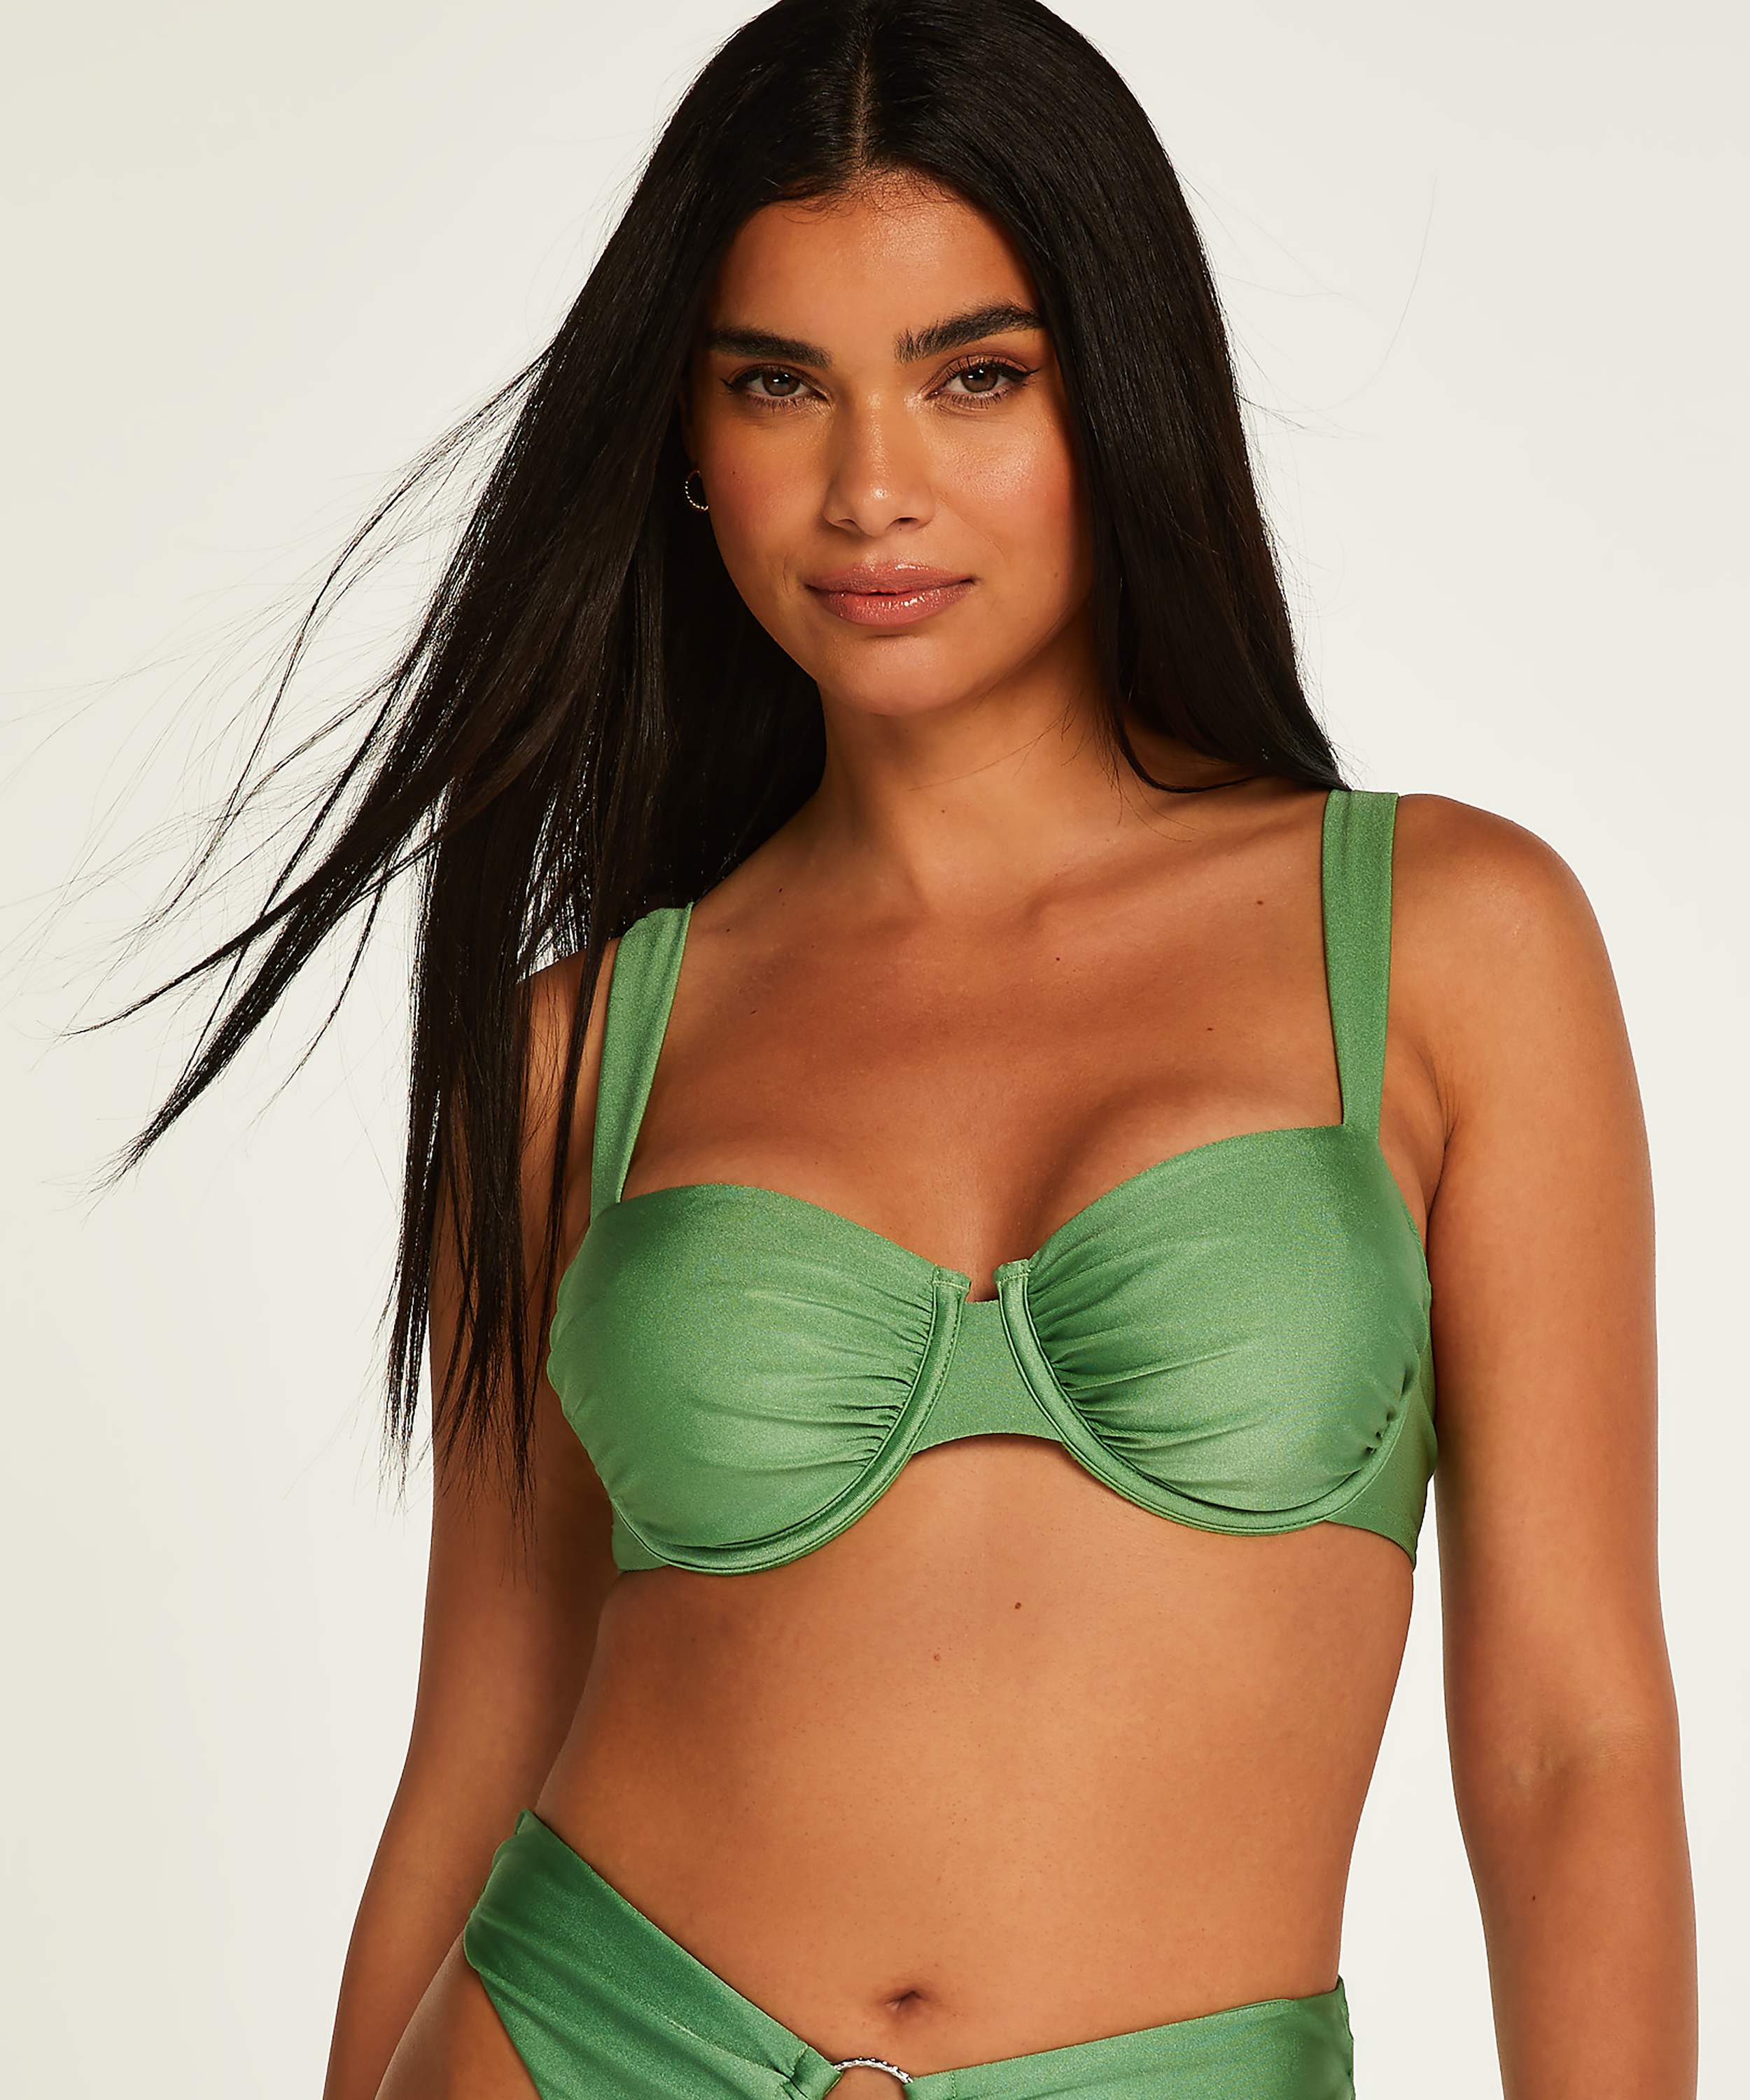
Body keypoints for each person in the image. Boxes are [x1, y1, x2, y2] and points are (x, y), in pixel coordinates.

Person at [128, 3, 1695, 2094]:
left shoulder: (1443, 941)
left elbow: (1571, 1742)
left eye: (975, 376)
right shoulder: (576, 1057)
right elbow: (473, 1761)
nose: (872, 491)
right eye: (779, 384)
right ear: (691, 443)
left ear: (1115, 392)